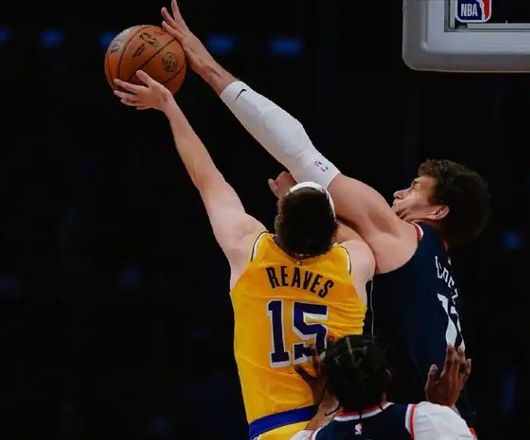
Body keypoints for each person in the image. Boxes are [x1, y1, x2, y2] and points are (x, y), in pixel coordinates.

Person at [160, 0, 490, 414]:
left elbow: (299, 152)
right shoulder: (437, 272)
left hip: (420, 425)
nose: (397, 194)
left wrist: (206, 67)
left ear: (438, 212)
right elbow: (341, 233)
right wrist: (301, 202)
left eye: (414, 189)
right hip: (452, 424)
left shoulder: (405, 237)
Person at [112, 71, 375, 440]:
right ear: (332, 229)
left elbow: (208, 179)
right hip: (342, 427)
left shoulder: (248, 249)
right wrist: (301, 199)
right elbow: (356, 234)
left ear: (279, 218)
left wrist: (170, 107)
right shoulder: (353, 263)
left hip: (276, 429)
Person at [290, 335, 475, 439]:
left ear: (332, 389)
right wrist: (444, 405)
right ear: (387, 377)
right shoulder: (424, 420)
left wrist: (325, 407)